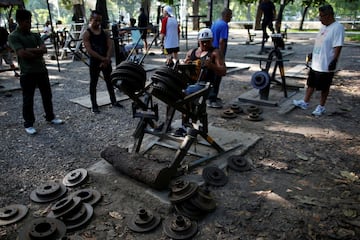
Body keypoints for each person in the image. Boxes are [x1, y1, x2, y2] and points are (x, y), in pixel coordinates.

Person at [8, 9, 64, 135]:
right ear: (20, 22)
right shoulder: (14, 36)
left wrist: (30, 50)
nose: (29, 24)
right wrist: (35, 51)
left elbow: (44, 50)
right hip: (27, 72)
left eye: (30, 21)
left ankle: (50, 116)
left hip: (41, 70)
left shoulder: (35, 35)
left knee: (47, 95)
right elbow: (22, 53)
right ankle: (28, 123)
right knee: (28, 99)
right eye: (27, 22)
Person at [293, 4, 344, 116]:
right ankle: (305, 102)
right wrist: (313, 53)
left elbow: (338, 46)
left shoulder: (337, 27)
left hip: (326, 63)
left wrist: (334, 60)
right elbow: (320, 43)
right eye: (319, 16)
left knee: (324, 87)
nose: (320, 19)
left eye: (322, 16)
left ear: (329, 15)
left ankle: (321, 106)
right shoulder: (323, 27)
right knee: (311, 83)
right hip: (316, 62)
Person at [174, 28, 226, 136]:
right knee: (171, 91)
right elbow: (183, 66)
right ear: (198, 40)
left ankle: (185, 126)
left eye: (208, 41)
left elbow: (223, 71)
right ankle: (170, 123)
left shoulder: (215, 53)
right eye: (203, 41)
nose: (205, 44)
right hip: (190, 83)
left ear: (212, 40)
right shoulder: (191, 52)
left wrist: (211, 65)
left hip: (205, 85)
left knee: (186, 94)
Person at [83, 10, 123, 113]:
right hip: (95, 62)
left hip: (106, 60)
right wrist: (102, 59)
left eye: (100, 21)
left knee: (110, 82)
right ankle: (94, 105)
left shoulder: (104, 33)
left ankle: (113, 101)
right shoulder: (87, 34)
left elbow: (110, 45)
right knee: (93, 83)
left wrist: (107, 58)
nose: (98, 23)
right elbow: (89, 50)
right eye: (96, 20)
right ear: (91, 20)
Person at [209, 8, 232, 108]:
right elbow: (222, 41)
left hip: (211, 51)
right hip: (217, 53)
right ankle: (212, 98)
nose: (231, 18)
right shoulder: (224, 25)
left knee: (211, 75)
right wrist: (221, 56)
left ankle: (211, 96)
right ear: (226, 15)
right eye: (230, 15)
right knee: (217, 75)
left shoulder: (216, 23)